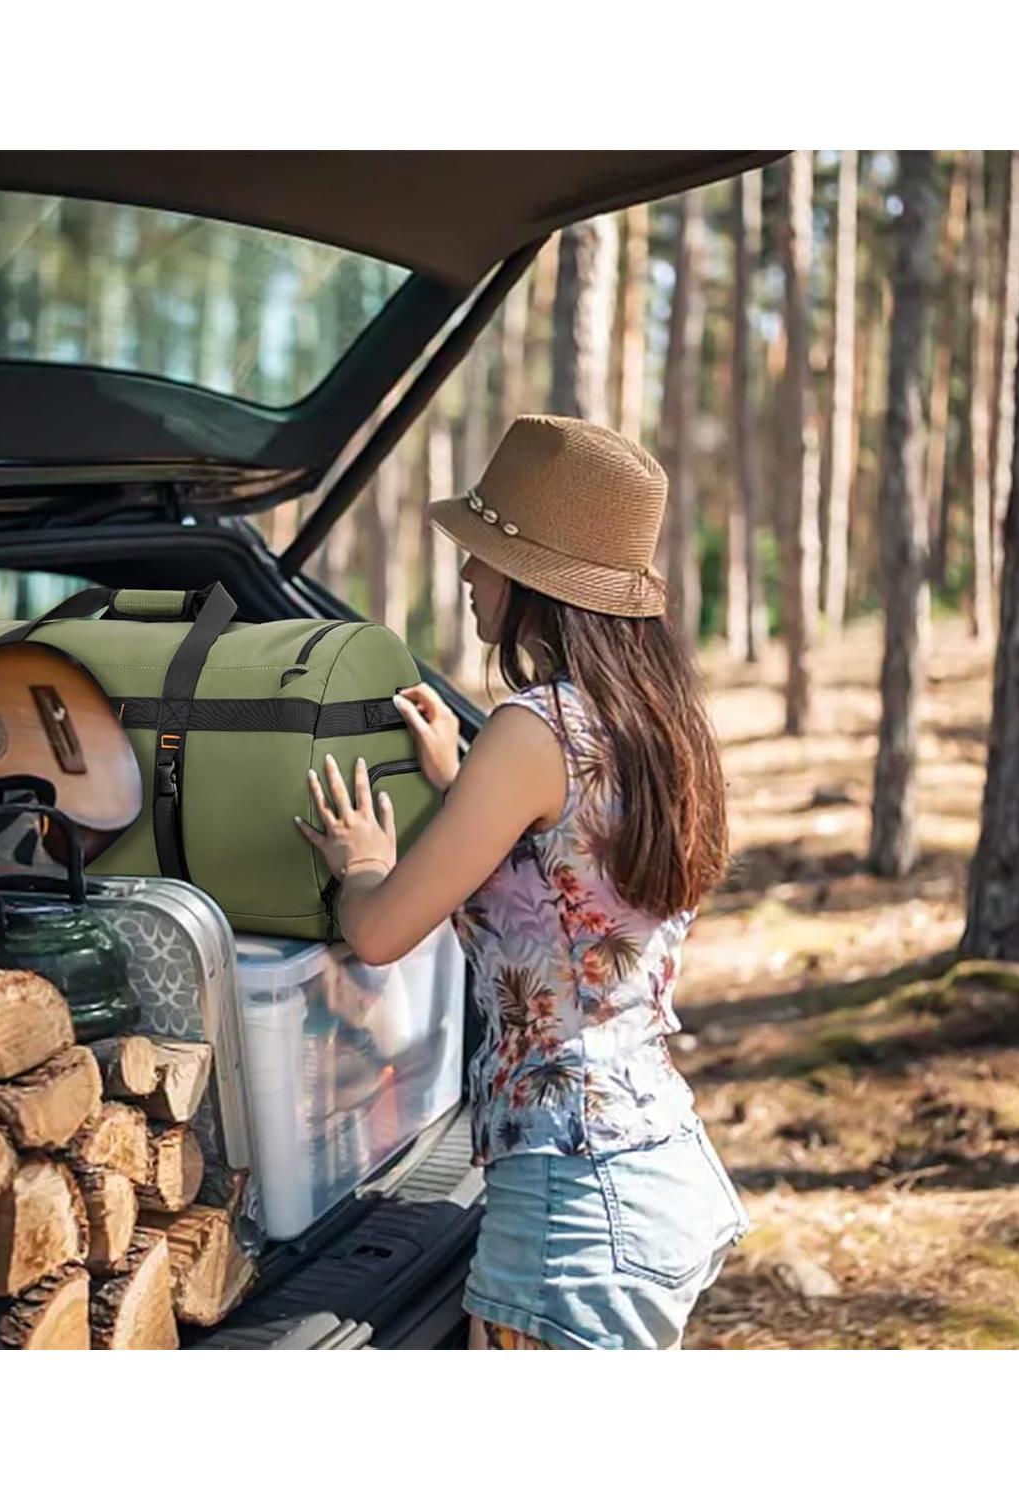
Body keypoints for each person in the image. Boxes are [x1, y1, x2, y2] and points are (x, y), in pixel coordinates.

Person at [294, 414, 749, 1350]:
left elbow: (378, 932)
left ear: (537, 579)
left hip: (571, 1208)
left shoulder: (531, 729)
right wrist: (462, 783)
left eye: (481, 554)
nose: (466, 574)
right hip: (653, 1158)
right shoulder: (660, 725)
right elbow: (574, 887)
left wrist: (363, 863)